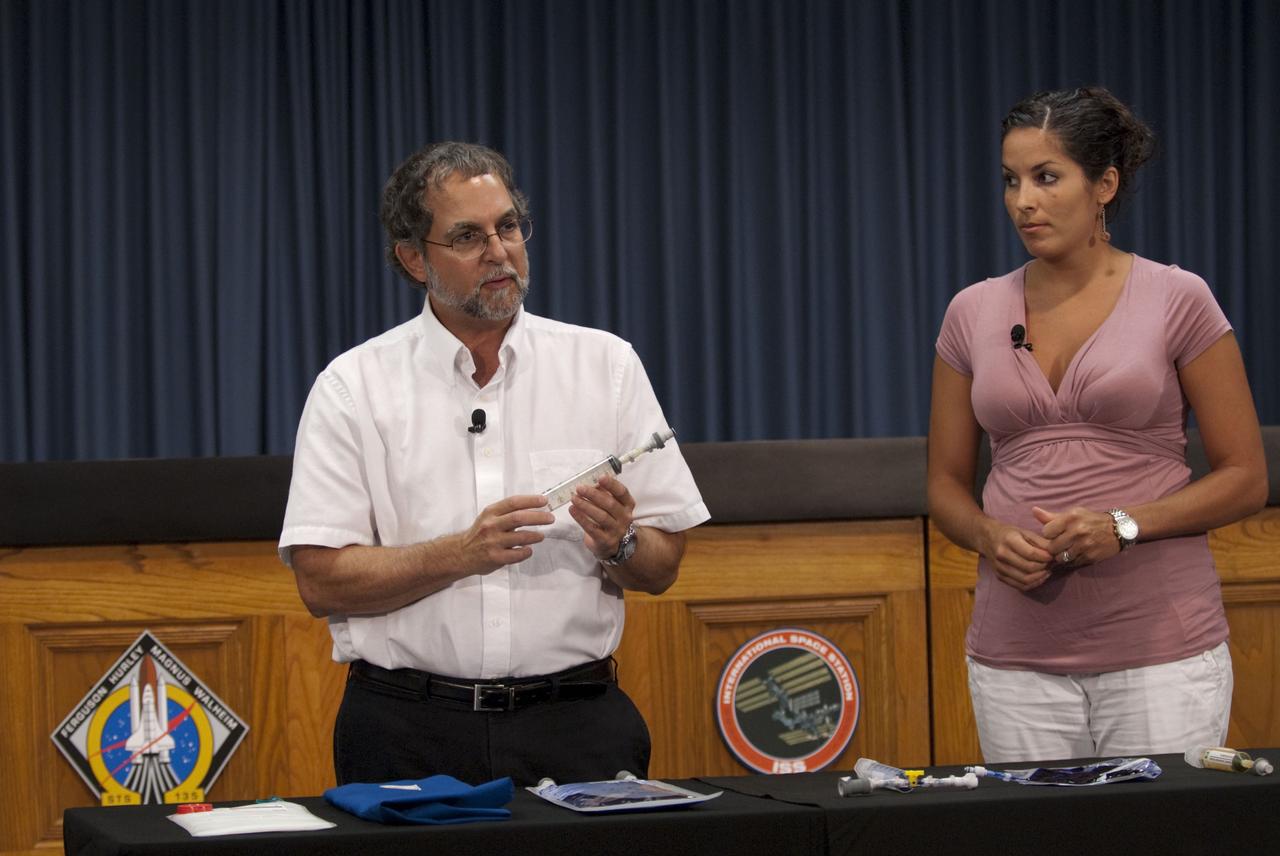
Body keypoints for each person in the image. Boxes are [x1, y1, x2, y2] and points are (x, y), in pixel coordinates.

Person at [279, 141, 709, 787]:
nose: (499, 251)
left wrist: (620, 541)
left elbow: (663, 567)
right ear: (413, 258)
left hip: (576, 726)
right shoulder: (353, 387)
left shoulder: (606, 367)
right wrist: (461, 553)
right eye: (467, 236)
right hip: (408, 733)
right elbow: (319, 582)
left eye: (508, 226)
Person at [927, 87, 1268, 763]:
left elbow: (1245, 479)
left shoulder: (1178, 297)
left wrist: (1123, 525)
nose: (1023, 201)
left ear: (1104, 184)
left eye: (1047, 178)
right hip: (1014, 658)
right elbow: (942, 484)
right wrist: (989, 535)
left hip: (1160, 654)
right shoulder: (971, 311)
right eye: (1011, 181)